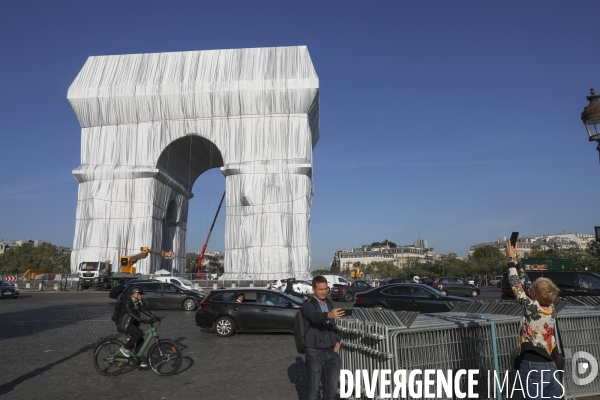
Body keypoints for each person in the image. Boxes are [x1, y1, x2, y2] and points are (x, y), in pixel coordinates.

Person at [506, 241, 562, 399]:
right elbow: (526, 283)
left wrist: (510, 258)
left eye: (533, 288)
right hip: (550, 366)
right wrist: (516, 261)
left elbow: (515, 284)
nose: (530, 287)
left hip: (531, 365)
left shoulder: (531, 308)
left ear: (535, 295)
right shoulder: (551, 308)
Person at [302, 275, 345, 400]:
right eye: (321, 289)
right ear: (313, 289)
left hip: (331, 351)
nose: (324, 292)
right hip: (315, 351)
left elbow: (333, 325)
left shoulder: (330, 303)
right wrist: (327, 315)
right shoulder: (308, 304)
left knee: (331, 391)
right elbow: (314, 316)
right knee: (313, 391)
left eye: (326, 289)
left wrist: (337, 339)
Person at [114, 286, 158, 367]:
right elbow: (130, 313)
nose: (142, 296)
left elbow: (143, 309)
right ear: (136, 294)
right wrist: (140, 319)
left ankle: (138, 359)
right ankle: (125, 348)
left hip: (130, 324)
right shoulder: (127, 302)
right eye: (141, 294)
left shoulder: (136, 302)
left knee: (140, 339)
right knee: (139, 333)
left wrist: (153, 316)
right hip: (124, 325)